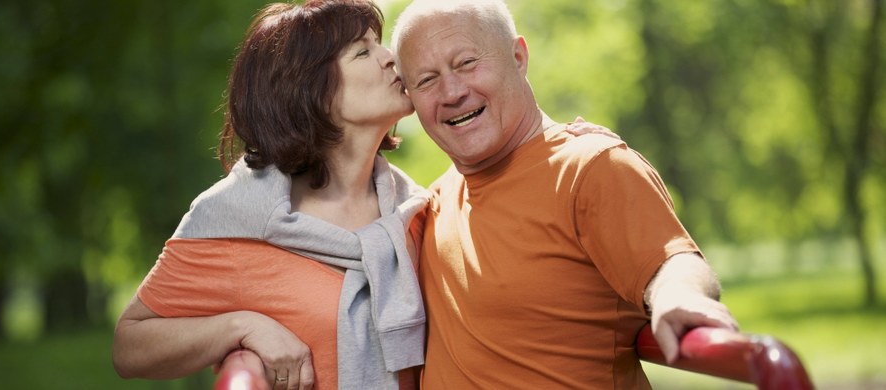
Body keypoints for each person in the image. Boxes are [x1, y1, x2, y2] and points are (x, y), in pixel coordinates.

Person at [390, 0, 739, 388]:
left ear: (518, 57)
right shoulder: (429, 203)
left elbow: (671, 263)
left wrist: (679, 297)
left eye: (467, 63)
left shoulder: (590, 167)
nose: (452, 92)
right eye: (426, 80)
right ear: (408, 100)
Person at [112, 1, 430, 389]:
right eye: (363, 51)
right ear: (310, 89)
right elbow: (130, 345)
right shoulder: (237, 216)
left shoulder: (417, 211)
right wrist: (241, 326)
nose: (389, 58)